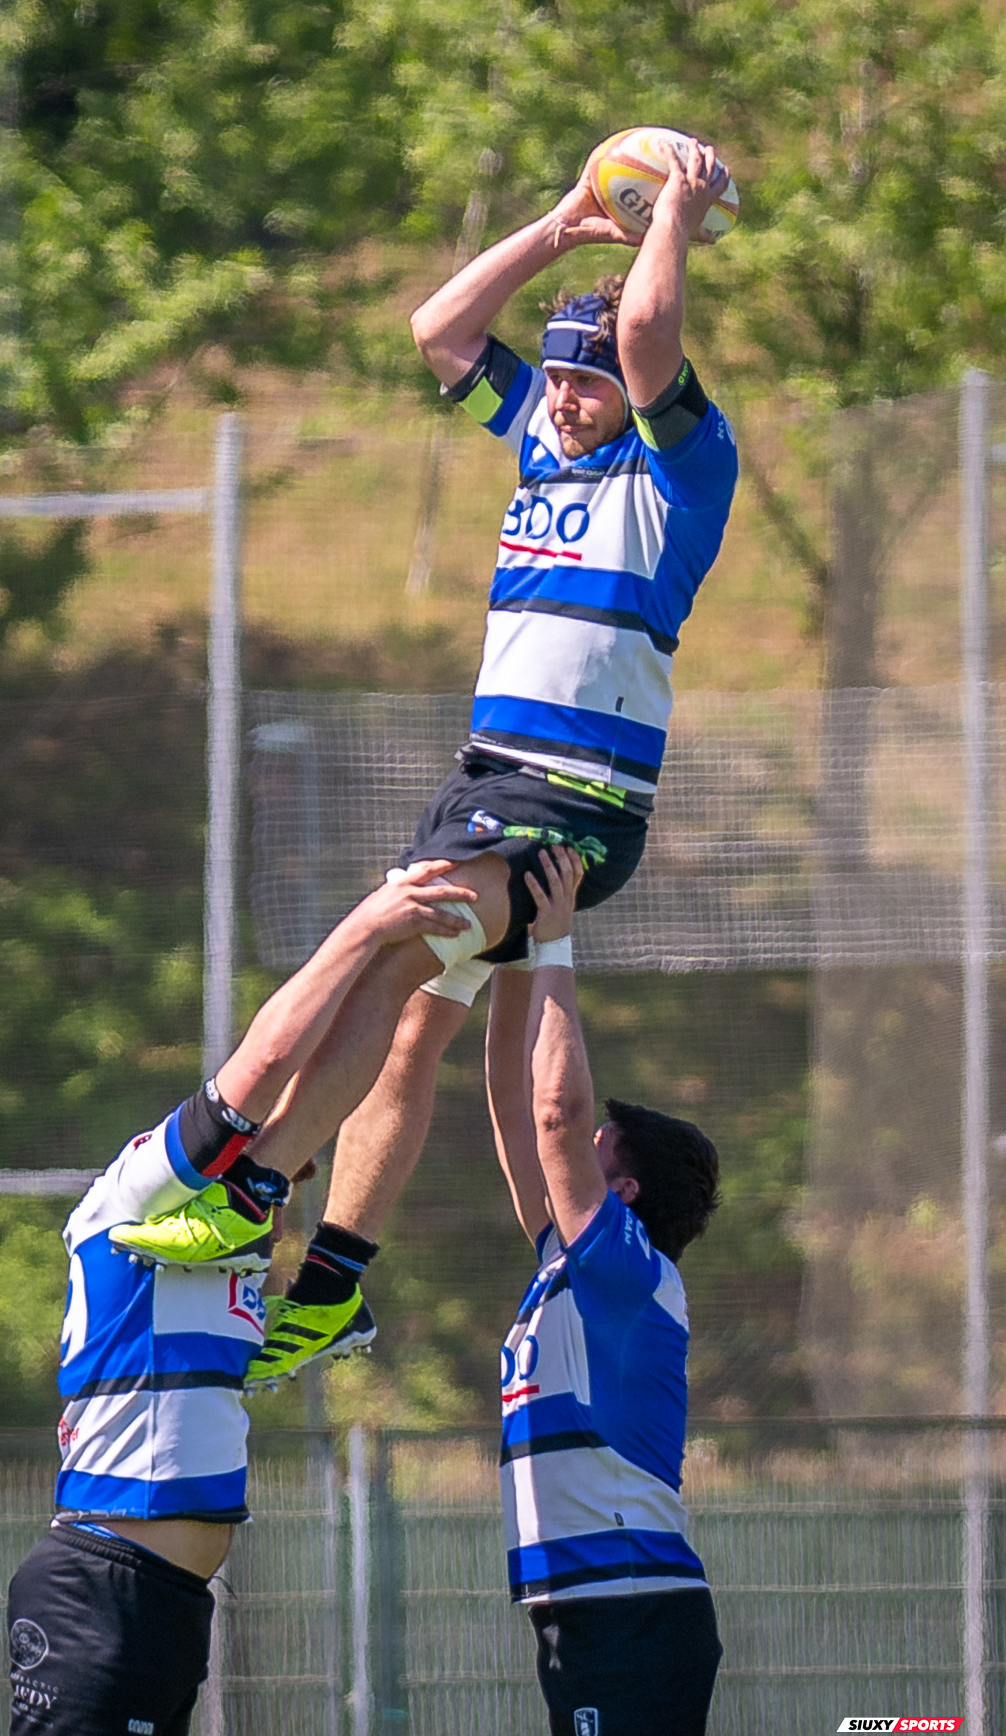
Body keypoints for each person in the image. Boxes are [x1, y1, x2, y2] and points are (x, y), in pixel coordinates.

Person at [112, 134, 739, 1390]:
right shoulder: (541, 444)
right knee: (407, 1031)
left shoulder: (676, 471)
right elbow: (438, 329)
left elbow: (657, 335)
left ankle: (252, 1185)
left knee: (398, 944)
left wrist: (668, 206)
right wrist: (563, 226)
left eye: (591, 382)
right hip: (488, 778)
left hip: (570, 806)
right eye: (557, 379)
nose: (565, 398)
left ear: (632, 390)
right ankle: (334, 1280)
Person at [0, 862, 476, 1736]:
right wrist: (368, 928)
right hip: (105, 1579)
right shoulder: (129, 1202)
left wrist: (445, 977)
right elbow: (261, 1073)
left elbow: (361, 1090)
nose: (275, 1202)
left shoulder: (227, 1271)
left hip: (162, 1595)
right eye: (263, 1181)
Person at [504, 844, 722, 1736]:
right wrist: (502, 959)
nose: (575, 1152)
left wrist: (557, 943)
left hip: (628, 1603)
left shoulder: (627, 1271)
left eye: (599, 1151)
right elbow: (524, 1115)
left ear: (622, 1191)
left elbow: (554, 1113)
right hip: (587, 1610)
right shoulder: (571, 1267)